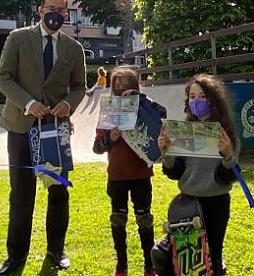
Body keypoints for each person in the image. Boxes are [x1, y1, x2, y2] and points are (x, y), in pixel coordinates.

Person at [0, 0, 87, 274]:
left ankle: (56, 252)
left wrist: (67, 105)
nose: (57, 14)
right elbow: (4, 77)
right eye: (52, 8)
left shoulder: (74, 48)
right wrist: (29, 103)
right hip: (21, 128)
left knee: (58, 193)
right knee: (21, 195)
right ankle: (15, 257)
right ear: (40, 10)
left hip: (54, 132)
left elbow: (79, 87)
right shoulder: (18, 38)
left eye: (63, 10)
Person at [155, 74, 240, 276]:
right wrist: (165, 152)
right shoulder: (183, 130)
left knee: (213, 256)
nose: (196, 101)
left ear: (213, 99)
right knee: (187, 258)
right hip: (188, 203)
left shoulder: (226, 132)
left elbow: (230, 175)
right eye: (192, 97)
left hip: (216, 203)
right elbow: (175, 172)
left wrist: (228, 154)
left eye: (202, 96)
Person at [93, 68, 166, 276]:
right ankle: (122, 264)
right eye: (117, 86)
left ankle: (149, 264)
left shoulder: (146, 105)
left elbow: (162, 113)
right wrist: (110, 139)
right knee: (118, 219)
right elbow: (97, 147)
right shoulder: (108, 110)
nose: (121, 90)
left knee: (144, 219)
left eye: (127, 86)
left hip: (141, 175)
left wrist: (139, 100)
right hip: (117, 175)